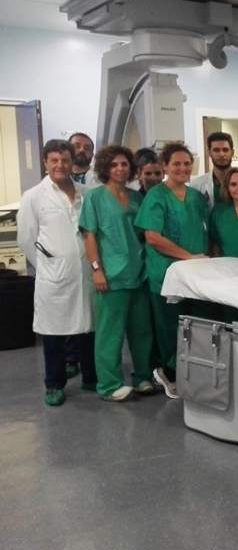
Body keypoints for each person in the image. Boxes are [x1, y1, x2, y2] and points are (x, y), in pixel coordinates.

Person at [17, 139, 96, 406]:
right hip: (53, 276)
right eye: (54, 160)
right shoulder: (34, 196)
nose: (60, 165)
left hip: (86, 272)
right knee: (53, 332)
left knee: (88, 327)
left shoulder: (87, 192)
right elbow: (27, 239)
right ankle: (54, 384)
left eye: (65, 160)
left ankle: (91, 377)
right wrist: (48, 267)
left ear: (72, 162)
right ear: (45, 162)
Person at [79, 145, 155, 401]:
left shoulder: (136, 198)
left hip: (139, 271)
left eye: (124, 164)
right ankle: (109, 385)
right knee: (110, 332)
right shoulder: (95, 198)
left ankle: (142, 376)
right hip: (111, 275)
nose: (120, 169)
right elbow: (89, 235)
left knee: (141, 330)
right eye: (114, 165)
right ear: (104, 169)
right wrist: (97, 270)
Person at [135, 142, 209, 399]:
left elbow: (204, 232)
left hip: (195, 276)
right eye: (176, 163)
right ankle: (168, 372)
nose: (182, 168)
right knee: (169, 326)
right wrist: (188, 257)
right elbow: (153, 237)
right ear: (165, 166)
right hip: (166, 274)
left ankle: (190, 372)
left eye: (187, 163)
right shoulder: (157, 196)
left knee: (193, 324)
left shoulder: (197, 198)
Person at [190, 131, 236, 208]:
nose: (221, 154)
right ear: (209, 153)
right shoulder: (196, 185)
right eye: (216, 150)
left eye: (225, 150)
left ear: (232, 152)